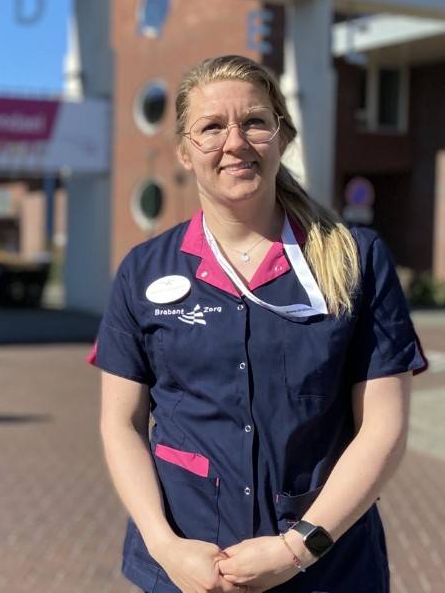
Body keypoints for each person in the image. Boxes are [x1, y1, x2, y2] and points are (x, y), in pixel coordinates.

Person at [93, 54, 425, 593]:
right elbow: (121, 424)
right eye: (211, 127)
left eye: (254, 122)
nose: (235, 142)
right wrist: (165, 546)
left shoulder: (356, 260)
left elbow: (383, 428)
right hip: (185, 569)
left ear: (282, 136)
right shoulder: (143, 270)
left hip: (328, 569)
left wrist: (299, 548)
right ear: (183, 150)